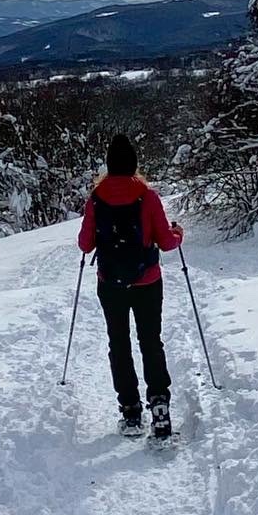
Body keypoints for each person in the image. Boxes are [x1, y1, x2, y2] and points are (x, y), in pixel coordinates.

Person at [77, 133, 184, 438]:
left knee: (119, 343)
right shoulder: (147, 196)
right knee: (151, 341)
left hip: (110, 283)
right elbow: (165, 242)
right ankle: (160, 406)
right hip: (147, 281)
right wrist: (178, 233)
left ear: (109, 165)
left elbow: (85, 244)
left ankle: (130, 410)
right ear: (135, 164)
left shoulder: (96, 199)